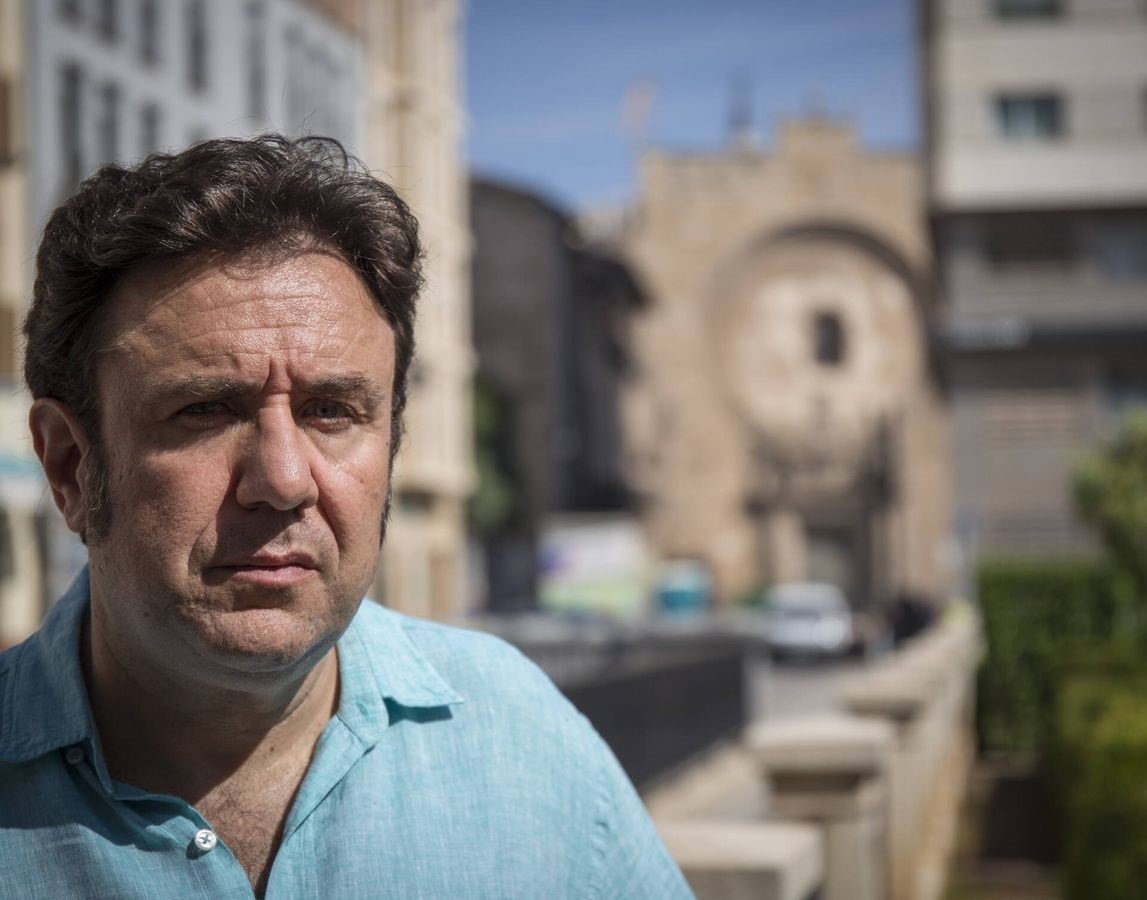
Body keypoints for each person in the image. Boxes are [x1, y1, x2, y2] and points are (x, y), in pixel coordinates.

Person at [0, 136, 691, 899]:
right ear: (69, 464)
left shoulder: (526, 741)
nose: (283, 480)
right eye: (206, 410)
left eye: (331, 411)